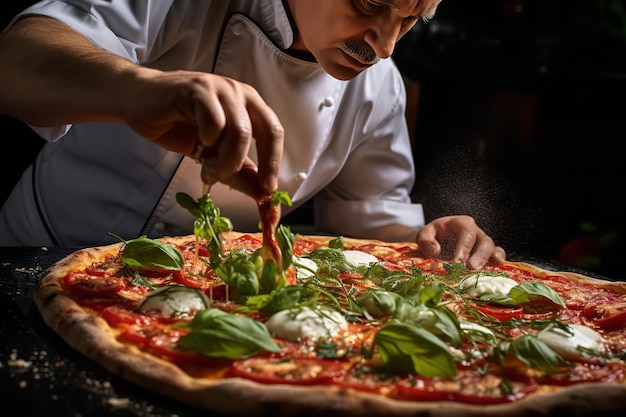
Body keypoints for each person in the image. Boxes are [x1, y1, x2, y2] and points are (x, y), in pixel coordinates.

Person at [0, 0, 506, 270]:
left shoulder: (381, 89)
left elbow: (368, 227)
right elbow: (15, 60)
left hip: (204, 302)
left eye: (411, 18)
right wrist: (137, 87)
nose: (386, 45)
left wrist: (429, 242)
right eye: (369, 2)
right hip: (46, 254)